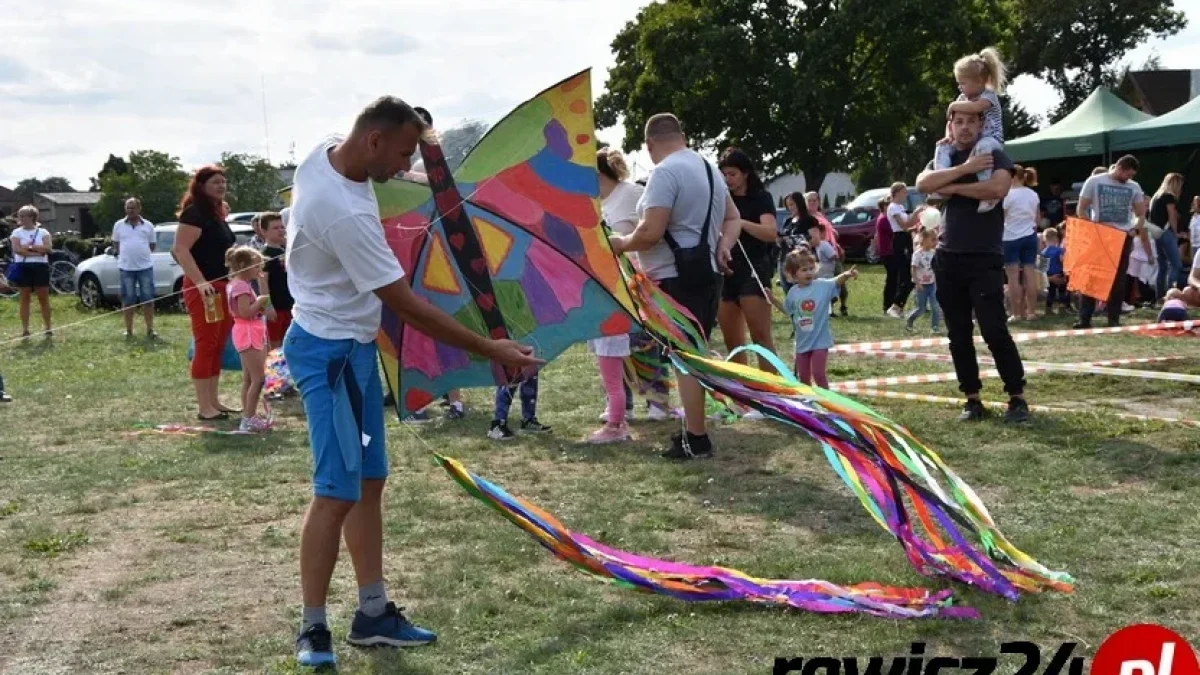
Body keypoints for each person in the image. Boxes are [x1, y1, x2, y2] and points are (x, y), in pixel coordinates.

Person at [283, 95, 539, 668]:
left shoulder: (327, 154)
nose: (403, 169)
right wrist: (490, 347)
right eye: (400, 155)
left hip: (353, 351)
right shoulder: (343, 210)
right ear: (374, 140)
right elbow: (403, 303)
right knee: (336, 491)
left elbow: (396, 165)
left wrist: (433, 160)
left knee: (369, 481)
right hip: (327, 357)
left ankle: (372, 613)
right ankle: (313, 628)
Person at [608, 112, 741, 460]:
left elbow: (650, 233)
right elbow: (732, 217)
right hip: (707, 273)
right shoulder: (709, 169)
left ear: (651, 144)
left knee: (685, 358)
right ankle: (694, 432)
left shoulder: (665, 172)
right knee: (692, 354)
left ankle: (696, 438)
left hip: (674, 280)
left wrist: (619, 243)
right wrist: (723, 244)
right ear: (681, 135)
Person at [916, 107, 1030, 423]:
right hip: (948, 257)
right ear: (950, 125)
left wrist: (950, 188)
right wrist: (965, 169)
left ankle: (1017, 397)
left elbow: (996, 188)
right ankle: (972, 399)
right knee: (959, 333)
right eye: (959, 121)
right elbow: (924, 184)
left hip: (985, 256)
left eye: (972, 121)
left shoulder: (993, 153)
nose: (965, 128)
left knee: (994, 328)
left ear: (982, 124)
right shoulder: (945, 155)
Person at [172, 165, 239, 421]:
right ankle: (204, 407)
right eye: (215, 182)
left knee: (218, 343)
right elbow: (181, 250)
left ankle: (213, 401)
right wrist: (200, 282)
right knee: (205, 343)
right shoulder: (194, 213)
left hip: (222, 285)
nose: (221, 186)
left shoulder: (217, 213)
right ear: (201, 186)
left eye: (223, 181)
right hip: (204, 289)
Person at [589, 148, 644, 444]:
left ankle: (618, 422)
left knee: (619, 354)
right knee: (609, 359)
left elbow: (651, 233)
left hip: (632, 289)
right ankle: (619, 413)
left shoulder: (632, 194)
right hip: (606, 291)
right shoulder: (594, 205)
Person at [716, 147, 778, 374]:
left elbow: (771, 232)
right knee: (733, 342)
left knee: (761, 337)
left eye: (733, 174)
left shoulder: (760, 198)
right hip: (726, 270)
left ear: (745, 174)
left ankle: (772, 395)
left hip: (754, 269)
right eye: (724, 174)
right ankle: (743, 397)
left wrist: (741, 223)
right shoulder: (721, 199)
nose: (728, 179)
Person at [1073, 155, 1150, 329]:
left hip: (1123, 236)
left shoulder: (1134, 187)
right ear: (1119, 168)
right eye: (1127, 175)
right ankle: (1085, 319)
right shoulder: (1094, 181)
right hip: (1100, 234)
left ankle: (1113, 318)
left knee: (1118, 279)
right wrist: (1090, 228)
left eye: (1131, 176)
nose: (1128, 179)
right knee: (1091, 276)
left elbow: (1140, 214)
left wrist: (1135, 229)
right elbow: (1081, 208)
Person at [931, 47, 1008, 212]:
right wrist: (949, 136)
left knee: (982, 149)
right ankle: (941, 182)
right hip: (976, 140)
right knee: (942, 147)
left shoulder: (988, 96)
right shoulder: (962, 99)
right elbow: (951, 121)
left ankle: (987, 192)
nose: (959, 87)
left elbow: (975, 108)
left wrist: (952, 105)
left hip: (991, 139)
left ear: (979, 81)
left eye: (963, 83)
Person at [781, 249, 859, 388]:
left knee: (818, 374)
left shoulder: (822, 286)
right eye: (804, 270)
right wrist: (771, 299)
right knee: (803, 379)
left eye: (811, 268)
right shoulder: (793, 293)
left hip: (820, 342)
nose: (809, 272)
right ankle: (808, 405)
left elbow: (836, 281)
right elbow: (786, 309)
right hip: (802, 344)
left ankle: (827, 404)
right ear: (793, 274)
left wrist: (847, 274)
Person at [225, 246, 274, 433]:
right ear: (243, 265)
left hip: (250, 331)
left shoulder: (240, 284)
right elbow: (245, 312)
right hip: (248, 332)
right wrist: (261, 301)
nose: (259, 269)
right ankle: (248, 419)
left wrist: (261, 292)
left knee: (248, 378)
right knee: (258, 378)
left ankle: (249, 413)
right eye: (256, 266)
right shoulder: (240, 286)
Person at [111, 198, 157, 339]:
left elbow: (152, 246)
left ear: (139, 209)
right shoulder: (118, 225)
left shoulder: (148, 225)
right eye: (127, 208)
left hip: (145, 267)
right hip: (126, 268)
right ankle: (129, 330)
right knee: (128, 299)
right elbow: (116, 244)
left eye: (132, 208)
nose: (130, 210)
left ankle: (150, 329)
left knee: (148, 299)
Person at [1001, 165, 1042, 321]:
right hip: (1030, 235)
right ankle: (1031, 312)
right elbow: (1037, 219)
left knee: (1012, 277)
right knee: (1029, 274)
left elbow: (1002, 218)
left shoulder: (1007, 195)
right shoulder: (1033, 194)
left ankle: (1016, 313)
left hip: (1010, 237)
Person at [9, 205, 52, 339]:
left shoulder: (43, 232)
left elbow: (48, 248)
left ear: (32, 217)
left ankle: (48, 327)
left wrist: (30, 247)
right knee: (24, 298)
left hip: (40, 266)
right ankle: (25, 329)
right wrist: (37, 252)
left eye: (24, 216)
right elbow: (17, 249)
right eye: (20, 216)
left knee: (43, 297)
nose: (21, 218)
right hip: (23, 266)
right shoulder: (17, 233)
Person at [884, 183, 925, 318]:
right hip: (900, 240)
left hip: (906, 238)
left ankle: (899, 306)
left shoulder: (901, 207)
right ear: (896, 192)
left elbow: (908, 227)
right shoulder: (893, 207)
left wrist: (917, 227)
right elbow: (904, 225)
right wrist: (916, 213)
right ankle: (895, 305)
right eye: (904, 192)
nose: (906, 194)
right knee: (906, 274)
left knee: (911, 275)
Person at [805, 191, 848, 315]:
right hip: (820, 252)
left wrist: (835, 240)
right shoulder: (808, 218)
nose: (813, 203)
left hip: (832, 248)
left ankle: (843, 305)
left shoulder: (820, 215)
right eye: (810, 200)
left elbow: (830, 231)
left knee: (840, 279)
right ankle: (828, 309)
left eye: (815, 200)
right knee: (825, 281)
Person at [259, 212, 293, 350]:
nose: (281, 230)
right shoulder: (265, 254)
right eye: (275, 228)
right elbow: (262, 282)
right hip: (276, 308)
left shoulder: (286, 250)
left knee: (289, 343)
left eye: (282, 227)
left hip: (290, 305)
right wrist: (267, 306)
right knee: (275, 344)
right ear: (264, 231)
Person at [1149, 173, 1186, 298]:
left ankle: (1159, 297)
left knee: (1162, 266)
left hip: (1156, 233)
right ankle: (1172, 294)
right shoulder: (1169, 197)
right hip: (1166, 233)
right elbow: (1172, 216)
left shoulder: (1156, 196)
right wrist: (1175, 233)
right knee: (1176, 264)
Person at [778, 192, 818, 294]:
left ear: (799, 203)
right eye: (788, 205)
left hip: (801, 262)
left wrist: (801, 244)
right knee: (788, 292)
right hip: (785, 260)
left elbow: (816, 239)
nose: (790, 208)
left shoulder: (809, 220)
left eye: (792, 204)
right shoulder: (788, 221)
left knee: (803, 292)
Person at [906, 228, 941, 333]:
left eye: (936, 240)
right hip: (921, 285)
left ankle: (935, 327)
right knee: (921, 309)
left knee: (935, 307)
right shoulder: (917, 254)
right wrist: (917, 283)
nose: (935, 242)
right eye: (933, 239)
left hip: (932, 284)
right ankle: (909, 320)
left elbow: (936, 268)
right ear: (924, 239)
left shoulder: (934, 253)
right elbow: (913, 269)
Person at [1041, 228, 1070, 313]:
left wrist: (1048, 276)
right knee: (1062, 291)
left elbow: (1042, 268)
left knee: (1051, 292)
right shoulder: (1059, 250)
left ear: (1044, 239)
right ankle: (1062, 308)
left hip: (1049, 275)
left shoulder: (1043, 252)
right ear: (1056, 238)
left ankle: (1048, 308)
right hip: (1059, 274)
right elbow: (1062, 260)